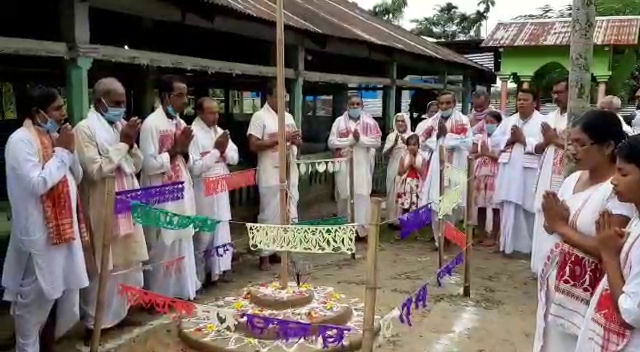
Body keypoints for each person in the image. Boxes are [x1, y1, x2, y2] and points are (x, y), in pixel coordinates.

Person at [533, 110, 633, 352]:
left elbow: (607, 249)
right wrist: (553, 221)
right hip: (557, 288)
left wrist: (560, 226)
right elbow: (553, 225)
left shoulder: (618, 192)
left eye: (581, 144)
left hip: (587, 296)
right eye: (570, 142)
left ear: (608, 146)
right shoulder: (573, 179)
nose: (572, 150)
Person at [2, 86, 89, 352]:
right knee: (30, 310)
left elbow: (78, 176)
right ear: (37, 113)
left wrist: (67, 149)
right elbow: (36, 183)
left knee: (53, 304)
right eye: (57, 108)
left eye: (63, 107)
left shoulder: (52, 136)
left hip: (61, 238)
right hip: (38, 238)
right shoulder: (21, 141)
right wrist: (62, 152)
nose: (64, 113)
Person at [74, 78, 149, 334]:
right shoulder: (83, 130)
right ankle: (95, 323)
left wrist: (131, 141)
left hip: (126, 200)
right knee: (103, 263)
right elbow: (95, 170)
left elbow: (136, 165)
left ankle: (121, 313)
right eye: (116, 103)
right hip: (102, 203)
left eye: (124, 103)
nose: (121, 109)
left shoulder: (119, 125)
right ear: (99, 102)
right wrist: (124, 143)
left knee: (126, 262)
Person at [575, 134, 640, 351]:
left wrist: (609, 255)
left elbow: (630, 314)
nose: (614, 180)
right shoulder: (636, 222)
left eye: (623, 173)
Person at [139, 74, 200, 299]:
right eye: (180, 95)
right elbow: (147, 164)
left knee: (182, 241)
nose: (185, 100)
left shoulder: (181, 124)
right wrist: (175, 149)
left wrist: (183, 150)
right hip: (161, 198)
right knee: (161, 246)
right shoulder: (151, 125)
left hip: (181, 196)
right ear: (165, 96)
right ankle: (160, 296)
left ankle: (183, 292)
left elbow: (189, 161)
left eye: (187, 95)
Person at [247, 82, 302, 271]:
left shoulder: (288, 117)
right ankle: (264, 256)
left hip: (289, 170)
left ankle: (282, 251)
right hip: (270, 171)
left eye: (285, 96)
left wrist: (295, 140)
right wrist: (279, 139)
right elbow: (253, 145)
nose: (283, 100)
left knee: (288, 211)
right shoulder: (259, 117)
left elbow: (298, 142)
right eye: (279, 96)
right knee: (269, 213)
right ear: (269, 97)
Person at [189, 98, 238, 284]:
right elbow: (195, 168)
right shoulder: (192, 133)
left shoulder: (220, 132)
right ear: (200, 113)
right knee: (204, 233)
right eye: (211, 113)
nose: (216, 116)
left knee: (222, 227)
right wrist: (217, 152)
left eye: (217, 112)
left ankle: (219, 270)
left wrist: (223, 152)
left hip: (221, 187)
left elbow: (234, 156)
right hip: (203, 189)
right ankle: (199, 277)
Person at [415, 91, 472, 248]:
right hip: (436, 166)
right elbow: (422, 141)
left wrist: (446, 138)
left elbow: (468, 143)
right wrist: (439, 138)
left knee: (452, 204)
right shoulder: (432, 121)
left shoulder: (463, 120)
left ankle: (449, 236)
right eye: (442, 103)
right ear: (438, 104)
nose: (445, 106)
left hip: (455, 166)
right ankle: (438, 238)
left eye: (448, 103)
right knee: (436, 202)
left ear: (454, 104)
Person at [491, 89, 545, 255]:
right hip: (509, 171)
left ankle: (527, 248)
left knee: (527, 208)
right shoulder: (509, 121)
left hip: (528, 172)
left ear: (534, 103)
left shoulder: (542, 122)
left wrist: (523, 140)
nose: (521, 102)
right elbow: (494, 139)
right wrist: (509, 140)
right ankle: (507, 245)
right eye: (519, 99)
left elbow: (544, 145)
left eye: (525, 100)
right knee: (508, 206)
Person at [328, 95, 381, 239]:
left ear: (362, 106)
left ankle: (362, 230)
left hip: (362, 164)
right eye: (352, 104)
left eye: (358, 104)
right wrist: (350, 140)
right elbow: (332, 142)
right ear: (347, 106)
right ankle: (346, 229)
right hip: (344, 164)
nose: (355, 107)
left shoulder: (370, 122)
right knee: (344, 195)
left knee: (362, 194)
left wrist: (360, 140)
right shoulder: (339, 122)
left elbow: (376, 141)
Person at [531, 78, 569, 274]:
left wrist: (556, 140)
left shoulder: (578, 117)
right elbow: (537, 148)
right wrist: (548, 142)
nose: (555, 96)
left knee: (557, 214)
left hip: (564, 176)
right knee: (542, 213)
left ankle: (554, 266)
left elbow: (579, 149)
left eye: (560, 92)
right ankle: (539, 266)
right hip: (546, 173)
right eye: (553, 92)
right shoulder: (549, 118)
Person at [471, 110, 502, 248]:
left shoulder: (501, 138)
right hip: (480, 174)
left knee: (495, 207)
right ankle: (481, 234)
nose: (489, 125)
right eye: (487, 122)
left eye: (492, 122)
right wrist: (478, 155)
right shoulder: (480, 137)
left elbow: (501, 157)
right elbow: (476, 152)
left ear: (499, 124)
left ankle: (494, 236)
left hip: (494, 175)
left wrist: (486, 153)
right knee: (481, 206)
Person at [383, 113, 412, 225]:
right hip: (393, 167)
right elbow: (385, 154)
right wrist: (393, 144)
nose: (400, 123)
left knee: (405, 192)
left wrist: (407, 143)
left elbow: (417, 152)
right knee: (392, 192)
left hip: (407, 168)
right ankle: (392, 220)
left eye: (402, 121)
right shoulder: (391, 136)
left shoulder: (413, 135)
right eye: (398, 121)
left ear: (407, 123)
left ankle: (405, 220)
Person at [396, 134, 424, 216]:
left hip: (417, 186)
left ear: (418, 146)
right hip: (406, 187)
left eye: (414, 145)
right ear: (407, 146)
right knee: (405, 209)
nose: (411, 147)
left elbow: (423, 174)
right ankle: (405, 227)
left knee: (416, 209)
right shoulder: (403, 157)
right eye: (409, 145)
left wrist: (414, 164)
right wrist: (408, 164)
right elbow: (400, 172)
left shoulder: (422, 157)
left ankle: (415, 228)